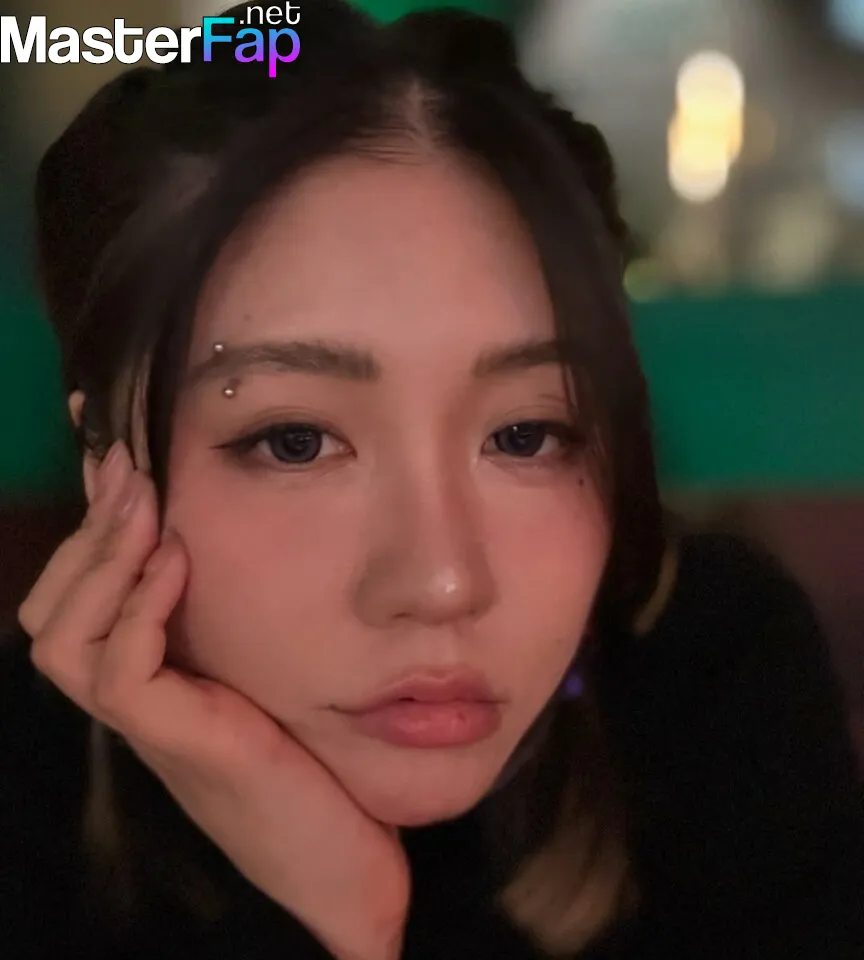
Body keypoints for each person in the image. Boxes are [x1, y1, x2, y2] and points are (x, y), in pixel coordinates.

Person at [2, 3, 862, 958]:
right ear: (106, 455)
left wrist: (360, 924)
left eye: (527, 435)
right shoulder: (27, 792)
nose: (444, 581)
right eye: (295, 441)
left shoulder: (715, 686)